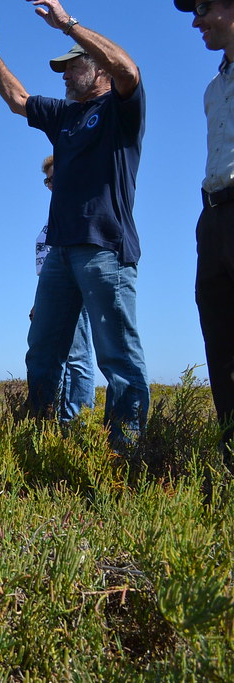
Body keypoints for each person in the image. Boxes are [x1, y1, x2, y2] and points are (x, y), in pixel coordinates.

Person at [0, 1, 149, 446]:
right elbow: (17, 99)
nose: (64, 76)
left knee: (117, 356)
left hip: (104, 249)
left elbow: (129, 71)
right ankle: (40, 441)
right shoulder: (65, 117)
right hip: (60, 254)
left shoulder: (120, 110)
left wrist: (67, 25)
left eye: (72, 67)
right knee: (44, 353)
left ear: (97, 67)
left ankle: (124, 453)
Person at [175, 0, 234, 469]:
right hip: (213, 219)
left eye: (204, 7)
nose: (196, 21)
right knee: (221, 346)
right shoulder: (214, 88)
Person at [36, 154, 95, 421]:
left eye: (55, 178)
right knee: (51, 353)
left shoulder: (80, 210)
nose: (52, 185)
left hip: (74, 290)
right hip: (51, 293)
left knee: (77, 355)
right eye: (48, 181)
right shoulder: (55, 218)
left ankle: (77, 422)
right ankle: (51, 418)